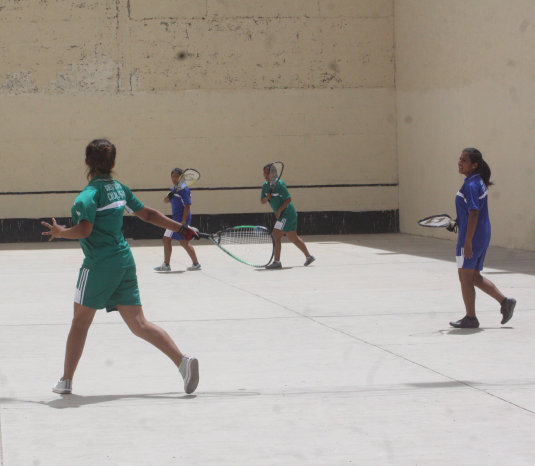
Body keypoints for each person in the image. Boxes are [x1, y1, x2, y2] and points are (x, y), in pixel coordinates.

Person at [41, 139, 200, 395]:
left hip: (98, 265)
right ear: (113, 163)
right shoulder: (119, 189)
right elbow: (147, 214)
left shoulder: (87, 196)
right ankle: (183, 362)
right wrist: (181, 227)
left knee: (80, 323)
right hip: (124, 261)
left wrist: (61, 232)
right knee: (139, 324)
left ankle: (66, 380)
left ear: (86, 163)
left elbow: (85, 229)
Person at [449, 147, 516, 328]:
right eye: (460, 158)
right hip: (482, 234)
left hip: (472, 237)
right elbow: (471, 212)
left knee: (465, 277)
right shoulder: (477, 181)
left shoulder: (470, 185)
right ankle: (505, 302)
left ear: (474, 164)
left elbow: (474, 213)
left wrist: (468, 241)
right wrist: (458, 221)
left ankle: (471, 318)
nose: (460, 162)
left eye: (464, 160)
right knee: (474, 277)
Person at [260, 163, 315, 269]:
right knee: (293, 238)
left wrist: (279, 211)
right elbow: (262, 201)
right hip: (284, 215)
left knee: (276, 235)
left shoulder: (280, 184)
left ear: (273, 173)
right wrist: (267, 198)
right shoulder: (265, 186)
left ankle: (277, 262)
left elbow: (288, 199)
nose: (266, 175)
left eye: (268, 173)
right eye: (264, 173)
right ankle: (309, 257)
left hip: (287, 214)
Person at [154, 168, 201, 272]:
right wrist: (169, 196)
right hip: (175, 219)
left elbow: (187, 206)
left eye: (177, 176)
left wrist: (183, 222)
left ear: (181, 178)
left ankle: (166, 265)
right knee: (183, 242)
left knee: (167, 239)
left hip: (180, 220)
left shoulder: (184, 190)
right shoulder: (174, 189)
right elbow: (165, 201)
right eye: (173, 176)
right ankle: (196, 264)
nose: (174, 179)